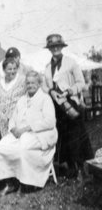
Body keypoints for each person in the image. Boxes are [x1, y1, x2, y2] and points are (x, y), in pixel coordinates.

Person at [0, 71, 58, 195]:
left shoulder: (45, 98)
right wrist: (13, 129)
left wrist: (26, 128)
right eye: (28, 83)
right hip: (20, 134)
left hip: (40, 134)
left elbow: (50, 122)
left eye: (33, 82)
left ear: (38, 84)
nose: (30, 85)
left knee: (23, 146)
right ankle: (8, 181)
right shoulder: (22, 100)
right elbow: (12, 119)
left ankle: (28, 183)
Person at [42, 34, 93, 177]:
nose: (55, 48)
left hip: (71, 104)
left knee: (76, 136)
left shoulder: (71, 62)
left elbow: (81, 83)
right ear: (49, 49)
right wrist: (51, 91)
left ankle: (82, 167)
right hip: (57, 106)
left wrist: (69, 91)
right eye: (52, 46)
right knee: (63, 137)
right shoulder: (47, 68)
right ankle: (71, 166)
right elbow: (45, 87)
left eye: (58, 45)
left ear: (62, 47)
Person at [0, 58, 27, 138]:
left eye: (15, 68)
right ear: (4, 70)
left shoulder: (22, 80)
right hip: (2, 121)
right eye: (9, 69)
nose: (12, 71)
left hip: (17, 120)